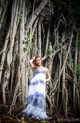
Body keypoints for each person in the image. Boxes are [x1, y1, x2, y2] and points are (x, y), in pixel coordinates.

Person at [20, 54, 51, 120]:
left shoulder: (46, 69)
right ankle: (32, 112)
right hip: (34, 85)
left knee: (40, 98)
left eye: (39, 60)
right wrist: (34, 58)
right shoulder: (34, 68)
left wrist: (44, 80)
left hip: (41, 85)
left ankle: (38, 113)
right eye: (36, 61)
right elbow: (29, 61)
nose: (38, 62)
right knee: (33, 97)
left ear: (41, 60)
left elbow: (49, 78)